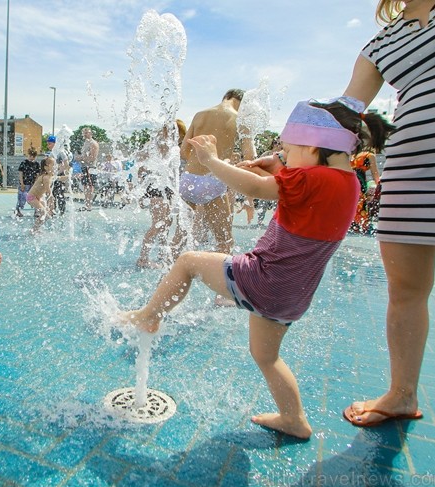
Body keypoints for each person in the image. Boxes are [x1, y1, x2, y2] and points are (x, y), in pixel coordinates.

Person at [119, 98, 394, 439]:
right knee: (266, 356)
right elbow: (296, 174)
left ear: (311, 146)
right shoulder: (349, 182)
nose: (284, 158)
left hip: (263, 278)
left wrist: (211, 160)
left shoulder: (309, 180)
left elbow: (254, 187)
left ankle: (149, 314)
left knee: (188, 261)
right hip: (292, 294)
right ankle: (294, 419)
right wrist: (279, 162)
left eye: (288, 151)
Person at [341, 0, 435, 428]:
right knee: (404, 291)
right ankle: (401, 394)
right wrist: (292, 162)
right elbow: (345, 112)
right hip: (410, 171)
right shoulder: (381, 42)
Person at [170, 89, 256, 258]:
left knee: (180, 235)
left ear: (226, 97)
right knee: (224, 241)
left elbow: (183, 151)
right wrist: (249, 198)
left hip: (188, 179)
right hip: (213, 180)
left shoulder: (200, 114)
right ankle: (224, 281)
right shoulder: (242, 119)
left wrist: (199, 161)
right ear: (242, 102)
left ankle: (169, 273)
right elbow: (250, 158)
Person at [136, 125, 177, 268]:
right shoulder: (155, 144)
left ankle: (162, 253)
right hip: (156, 186)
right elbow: (141, 167)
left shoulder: (170, 143)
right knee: (157, 224)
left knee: (166, 223)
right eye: (169, 129)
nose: (171, 132)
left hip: (167, 186)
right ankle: (143, 259)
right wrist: (141, 194)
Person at [348, 149, 381, 234]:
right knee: (361, 204)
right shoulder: (369, 155)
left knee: (352, 203)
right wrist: (379, 185)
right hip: (360, 182)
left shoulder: (352, 155)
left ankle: (351, 225)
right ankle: (361, 226)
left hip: (350, 181)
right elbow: (375, 174)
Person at [26, 156, 55, 234]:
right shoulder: (45, 177)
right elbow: (48, 190)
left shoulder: (49, 176)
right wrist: (51, 199)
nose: (55, 166)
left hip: (39, 198)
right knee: (44, 212)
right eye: (53, 164)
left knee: (47, 214)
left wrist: (70, 176)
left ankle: (37, 228)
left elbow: (59, 178)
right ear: (46, 167)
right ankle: (34, 230)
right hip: (32, 197)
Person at [79, 127, 100, 211]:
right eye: (84, 133)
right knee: (85, 186)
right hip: (85, 167)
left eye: (87, 132)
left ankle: (89, 205)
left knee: (90, 187)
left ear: (91, 133)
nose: (85, 134)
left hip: (90, 168)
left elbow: (92, 158)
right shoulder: (85, 143)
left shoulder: (93, 143)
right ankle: (86, 204)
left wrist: (80, 158)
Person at [15, 148, 40, 218]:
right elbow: (20, 173)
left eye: (33, 156)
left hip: (32, 184)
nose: (31, 157)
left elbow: (37, 175)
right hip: (25, 183)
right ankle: (17, 210)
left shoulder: (36, 164)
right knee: (22, 197)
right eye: (30, 156)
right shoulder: (24, 163)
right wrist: (22, 183)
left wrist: (35, 184)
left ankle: (36, 211)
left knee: (34, 197)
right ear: (28, 155)